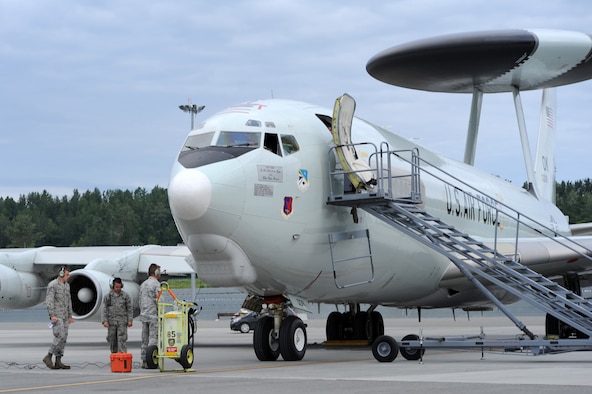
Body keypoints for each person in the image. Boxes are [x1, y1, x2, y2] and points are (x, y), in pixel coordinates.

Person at [42, 266, 74, 370]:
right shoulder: (53, 285)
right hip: (57, 315)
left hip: (64, 315)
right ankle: (49, 356)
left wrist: (70, 315)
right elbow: (49, 300)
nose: (68, 276)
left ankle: (58, 361)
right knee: (59, 336)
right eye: (67, 274)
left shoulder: (67, 286)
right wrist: (52, 315)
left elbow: (69, 301)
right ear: (61, 274)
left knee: (64, 338)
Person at [101, 277, 133, 353]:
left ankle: (122, 356)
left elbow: (129, 308)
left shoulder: (125, 296)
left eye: (119, 287)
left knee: (122, 339)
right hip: (112, 322)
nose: (118, 289)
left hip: (122, 322)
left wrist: (130, 320)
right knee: (112, 339)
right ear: (113, 286)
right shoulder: (108, 297)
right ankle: (114, 356)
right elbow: (104, 309)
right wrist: (104, 321)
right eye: (116, 287)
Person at [139, 263, 161, 368]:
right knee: (153, 338)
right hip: (153, 316)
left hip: (144, 315)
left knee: (144, 339)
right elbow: (160, 300)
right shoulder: (156, 284)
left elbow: (140, 300)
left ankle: (144, 360)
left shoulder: (143, 284)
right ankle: (151, 360)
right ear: (156, 272)